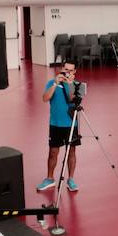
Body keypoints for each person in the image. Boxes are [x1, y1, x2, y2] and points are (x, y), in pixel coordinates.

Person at [38, 61, 81, 192]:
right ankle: (50, 179)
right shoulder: (52, 83)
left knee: (71, 152)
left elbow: (74, 100)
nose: (67, 72)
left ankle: (71, 179)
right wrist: (56, 84)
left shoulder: (77, 85)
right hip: (55, 124)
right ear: (62, 69)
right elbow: (45, 98)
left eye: (70, 70)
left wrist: (70, 85)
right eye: (65, 69)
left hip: (71, 124)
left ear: (74, 72)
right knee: (53, 152)